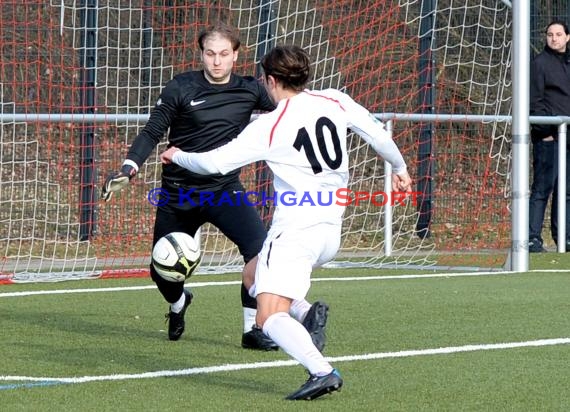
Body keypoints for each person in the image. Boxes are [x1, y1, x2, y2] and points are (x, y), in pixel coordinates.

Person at [161, 45, 412, 400]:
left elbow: (216, 163)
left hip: (295, 231)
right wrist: (400, 169)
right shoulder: (334, 100)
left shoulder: (271, 124)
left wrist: (178, 155)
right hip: (331, 231)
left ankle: (321, 371)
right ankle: (308, 313)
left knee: (268, 318)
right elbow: (379, 136)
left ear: (270, 81)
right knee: (253, 273)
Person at [101, 22, 278, 351]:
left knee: (260, 251)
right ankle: (179, 303)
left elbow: (290, 114)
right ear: (201, 54)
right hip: (179, 195)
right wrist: (129, 167)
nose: (216, 61)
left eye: (224, 54)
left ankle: (253, 329)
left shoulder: (251, 89)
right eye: (210, 53)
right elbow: (153, 131)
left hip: (225, 190)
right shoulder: (180, 87)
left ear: (236, 56)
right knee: (162, 274)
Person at [529, 19, 570, 253]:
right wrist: (544, 132)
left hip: (569, 138)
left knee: (567, 191)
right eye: (550, 34)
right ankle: (533, 237)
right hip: (550, 139)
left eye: (558, 34)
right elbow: (535, 100)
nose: (554, 38)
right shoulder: (539, 64)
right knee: (543, 188)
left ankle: (564, 237)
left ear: (567, 37)